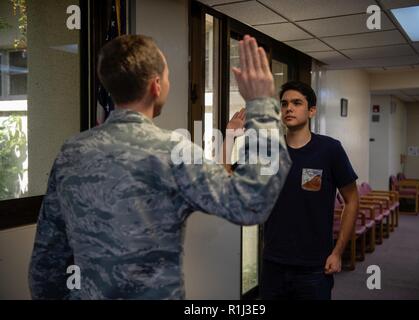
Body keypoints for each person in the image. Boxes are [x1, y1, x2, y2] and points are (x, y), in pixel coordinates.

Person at [28, 34, 292, 299]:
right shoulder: (174, 151)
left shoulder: (71, 153)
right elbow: (251, 201)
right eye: (166, 76)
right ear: (156, 85)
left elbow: (46, 262)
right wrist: (261, 106)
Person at [259, 81, 359, 300]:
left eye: (297, 103)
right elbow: (228, 176)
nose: (289, 108)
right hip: (273, 264)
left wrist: (338, 252)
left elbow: (351, 200)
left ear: (311, 110)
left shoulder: (330, 150)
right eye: (284, 104)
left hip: (314, 267)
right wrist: (230, 136)